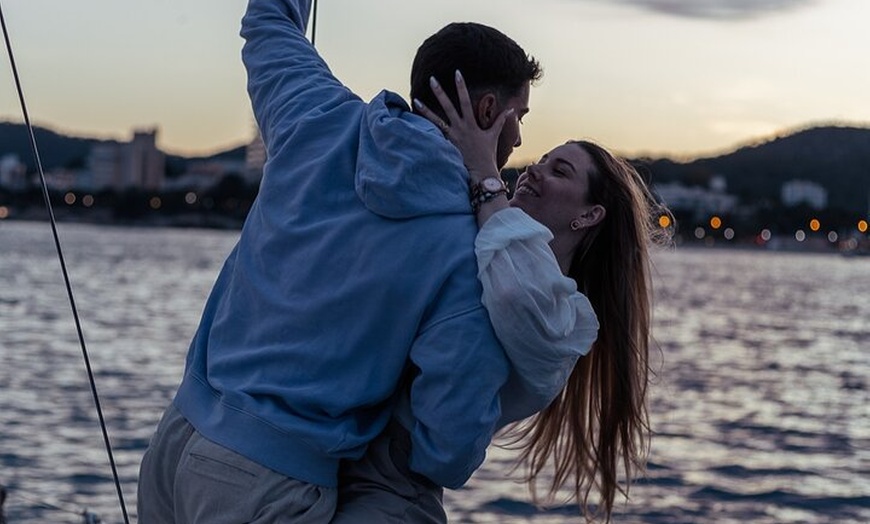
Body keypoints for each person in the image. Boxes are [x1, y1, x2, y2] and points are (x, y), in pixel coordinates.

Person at [137, 0, 546, 522]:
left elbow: (268, 18)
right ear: (487, 112)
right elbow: (447, 447)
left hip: (175, 441)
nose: (519, 139)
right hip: (270, 482)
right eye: (519, 118)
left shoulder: (316, 115)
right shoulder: (470, 250)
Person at [333, 74, 670, 523]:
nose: (534, 169)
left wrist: (486, 171)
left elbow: (514, 293)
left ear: (589, 215)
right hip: (348, 453)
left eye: (559, 171)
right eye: (543, 159)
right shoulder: (489, 244)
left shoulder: (562, 318)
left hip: (393, 488)